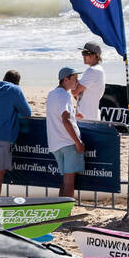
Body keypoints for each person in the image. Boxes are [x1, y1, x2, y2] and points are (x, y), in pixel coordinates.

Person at [46, 67, 84, 198]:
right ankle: (66, 214)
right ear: (65, 79)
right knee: (69, 182)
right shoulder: (65, 94)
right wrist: (78, 142)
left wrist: (74, 115)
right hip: (67, 142)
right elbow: (65, 119)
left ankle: (61, 212)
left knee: (65, 180)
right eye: (74, 78)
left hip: (55, 143)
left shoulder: (52, 94)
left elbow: (61, 115)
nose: (77, 82)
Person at [74, 41, 106, 122]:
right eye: (83, 53)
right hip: (91, 115)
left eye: (86, 53)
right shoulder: (99, 70)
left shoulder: (92, 70)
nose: (84, 56)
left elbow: (74, 92)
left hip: (86, 116)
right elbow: (76, 95)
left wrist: (75, 86)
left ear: (96, 55)